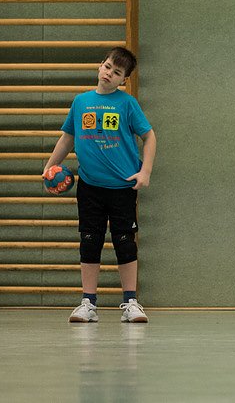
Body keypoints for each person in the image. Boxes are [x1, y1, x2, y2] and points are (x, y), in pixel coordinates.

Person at [43, 47, 156, 323]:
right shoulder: (81, 102)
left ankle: (130, 301)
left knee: (124, 243)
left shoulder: (127, 104)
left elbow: (150, 136)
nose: (109, 73)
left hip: (122, 187)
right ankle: (88, 302)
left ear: (123, 80)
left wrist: (145, 172)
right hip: (90, 187)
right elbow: (67, 139)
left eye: (117, 72)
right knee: (90, 241)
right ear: (99, 67)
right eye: (107, 67)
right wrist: (49, 165)